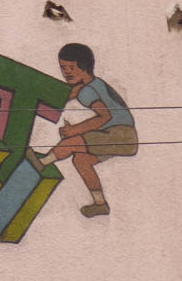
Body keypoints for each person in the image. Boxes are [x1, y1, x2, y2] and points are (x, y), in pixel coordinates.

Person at [25, 43, 138, 218]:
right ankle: (100, 203)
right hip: (124, 137)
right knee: (81, 160)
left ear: (84, 68)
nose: (66, 72)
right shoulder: (91, 84)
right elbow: (67, 95)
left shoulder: (88, 91)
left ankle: (43, 162)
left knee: (72, 142)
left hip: (120, 134)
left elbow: (104, 117)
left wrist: (74, 130)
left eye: (71, 67)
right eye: (63, 68)